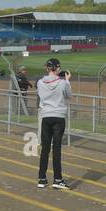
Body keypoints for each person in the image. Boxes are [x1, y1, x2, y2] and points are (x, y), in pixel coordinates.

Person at [36, 58, 71, 189]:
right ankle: (57, 179)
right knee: (57, 149)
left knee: (45, 148)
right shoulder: (62, 83)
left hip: (46, 115)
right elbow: (69, 95)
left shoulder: (40, 82)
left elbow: (41, 94)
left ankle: (42, 178)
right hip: (59, 116)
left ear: (47, 68)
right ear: (57, 68)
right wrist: (67, 80)